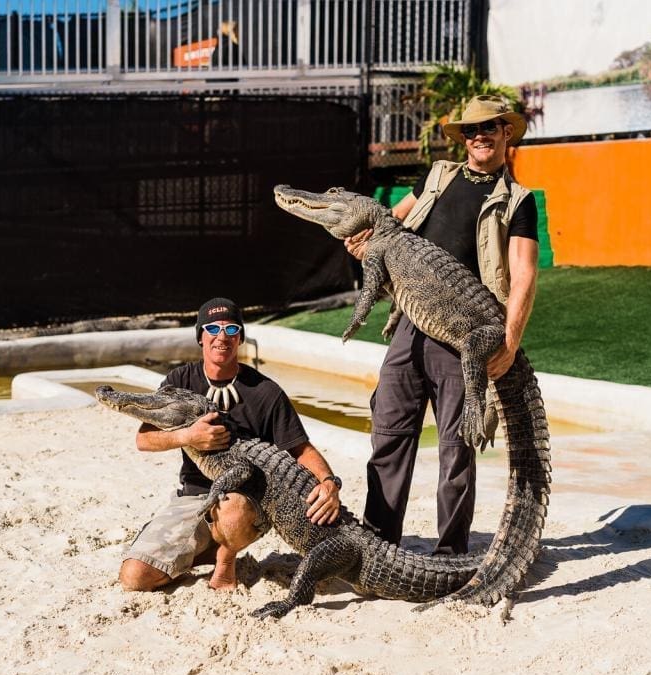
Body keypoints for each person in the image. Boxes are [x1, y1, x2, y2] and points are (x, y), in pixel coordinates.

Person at [344, 95, 540, 555]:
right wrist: (363, 245)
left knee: (456, 449)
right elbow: (390, 225)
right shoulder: (436, 175)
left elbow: (525, 273)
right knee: (389, 432)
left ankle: (451, 552)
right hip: (413, 321)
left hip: (463, 334)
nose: (480, 136)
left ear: (506, 133)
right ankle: (379, 543)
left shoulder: (518, 200)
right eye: (471, 130)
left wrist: (509, 341)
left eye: (490, 127)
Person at [119, 297, 344, 591]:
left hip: (246, 501)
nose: (221, 336)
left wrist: (329, 482)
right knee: (135, 577)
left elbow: (302, 449)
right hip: (193, 496)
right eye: (212, 328)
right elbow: (144, 439)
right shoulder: (180, 381)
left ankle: (226, 560)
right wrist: (188, 436)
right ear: (201, 336)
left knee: (233, 508)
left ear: (240, 337)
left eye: (231, 329)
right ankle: (205, 548)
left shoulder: (265, 392)